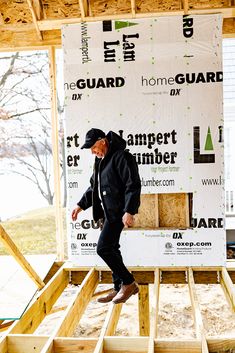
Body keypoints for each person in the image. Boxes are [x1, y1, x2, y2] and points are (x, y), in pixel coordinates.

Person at [72, 128, 141, 304]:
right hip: (107, 213)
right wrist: (80, 205)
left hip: (118, 213)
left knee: (103, 249)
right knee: (112, 248)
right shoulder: (100, 161)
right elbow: (93, 187)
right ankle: (118, 287)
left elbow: (133, 185)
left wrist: (129, 210)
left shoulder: (121, 157)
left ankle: (128, 283)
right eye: (91, 150)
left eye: (94, 147)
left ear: (103, 141)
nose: (93, 152)